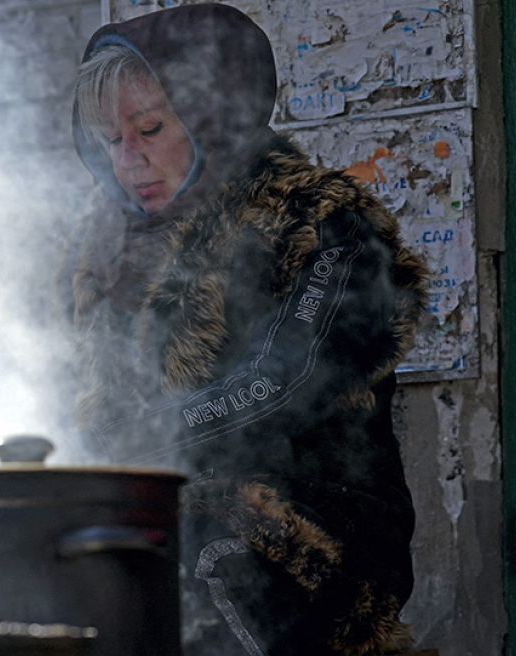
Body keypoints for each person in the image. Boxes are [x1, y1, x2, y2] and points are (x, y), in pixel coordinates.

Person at [64, 5, 429, 655]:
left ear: (215, 118)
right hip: (150, 506)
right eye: (111, 140)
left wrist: (131, 448)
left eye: (149, 129)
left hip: (312, 527)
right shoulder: (102, 254)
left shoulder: (322, 222)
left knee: (194, 542)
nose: (129, 160)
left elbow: (279, 383)